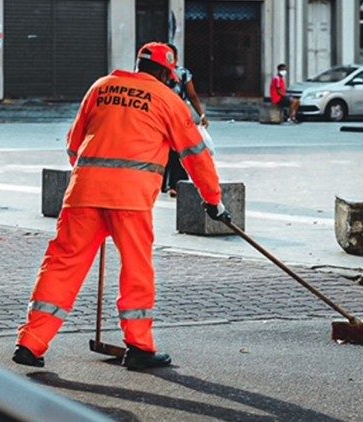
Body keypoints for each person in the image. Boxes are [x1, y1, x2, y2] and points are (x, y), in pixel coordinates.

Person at [12, 42, 230, 370]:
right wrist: (213, 201)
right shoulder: (168, 100)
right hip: (130, 200)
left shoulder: (101, 87)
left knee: (62, 265)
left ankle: (31, 342)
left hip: (83, 193)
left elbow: (74, 144)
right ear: (163, 72)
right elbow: (196, 155)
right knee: (136, 269)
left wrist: (93, 177)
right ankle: (140, 347)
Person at [162, 43, 209, 198]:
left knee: (162, 148)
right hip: (178, 115)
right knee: (178, 149)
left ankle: (164, 183)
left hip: (159, 115)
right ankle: (175, 183)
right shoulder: (182, 73)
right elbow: (192, 95)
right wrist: (201, 114)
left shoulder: (158, 73)